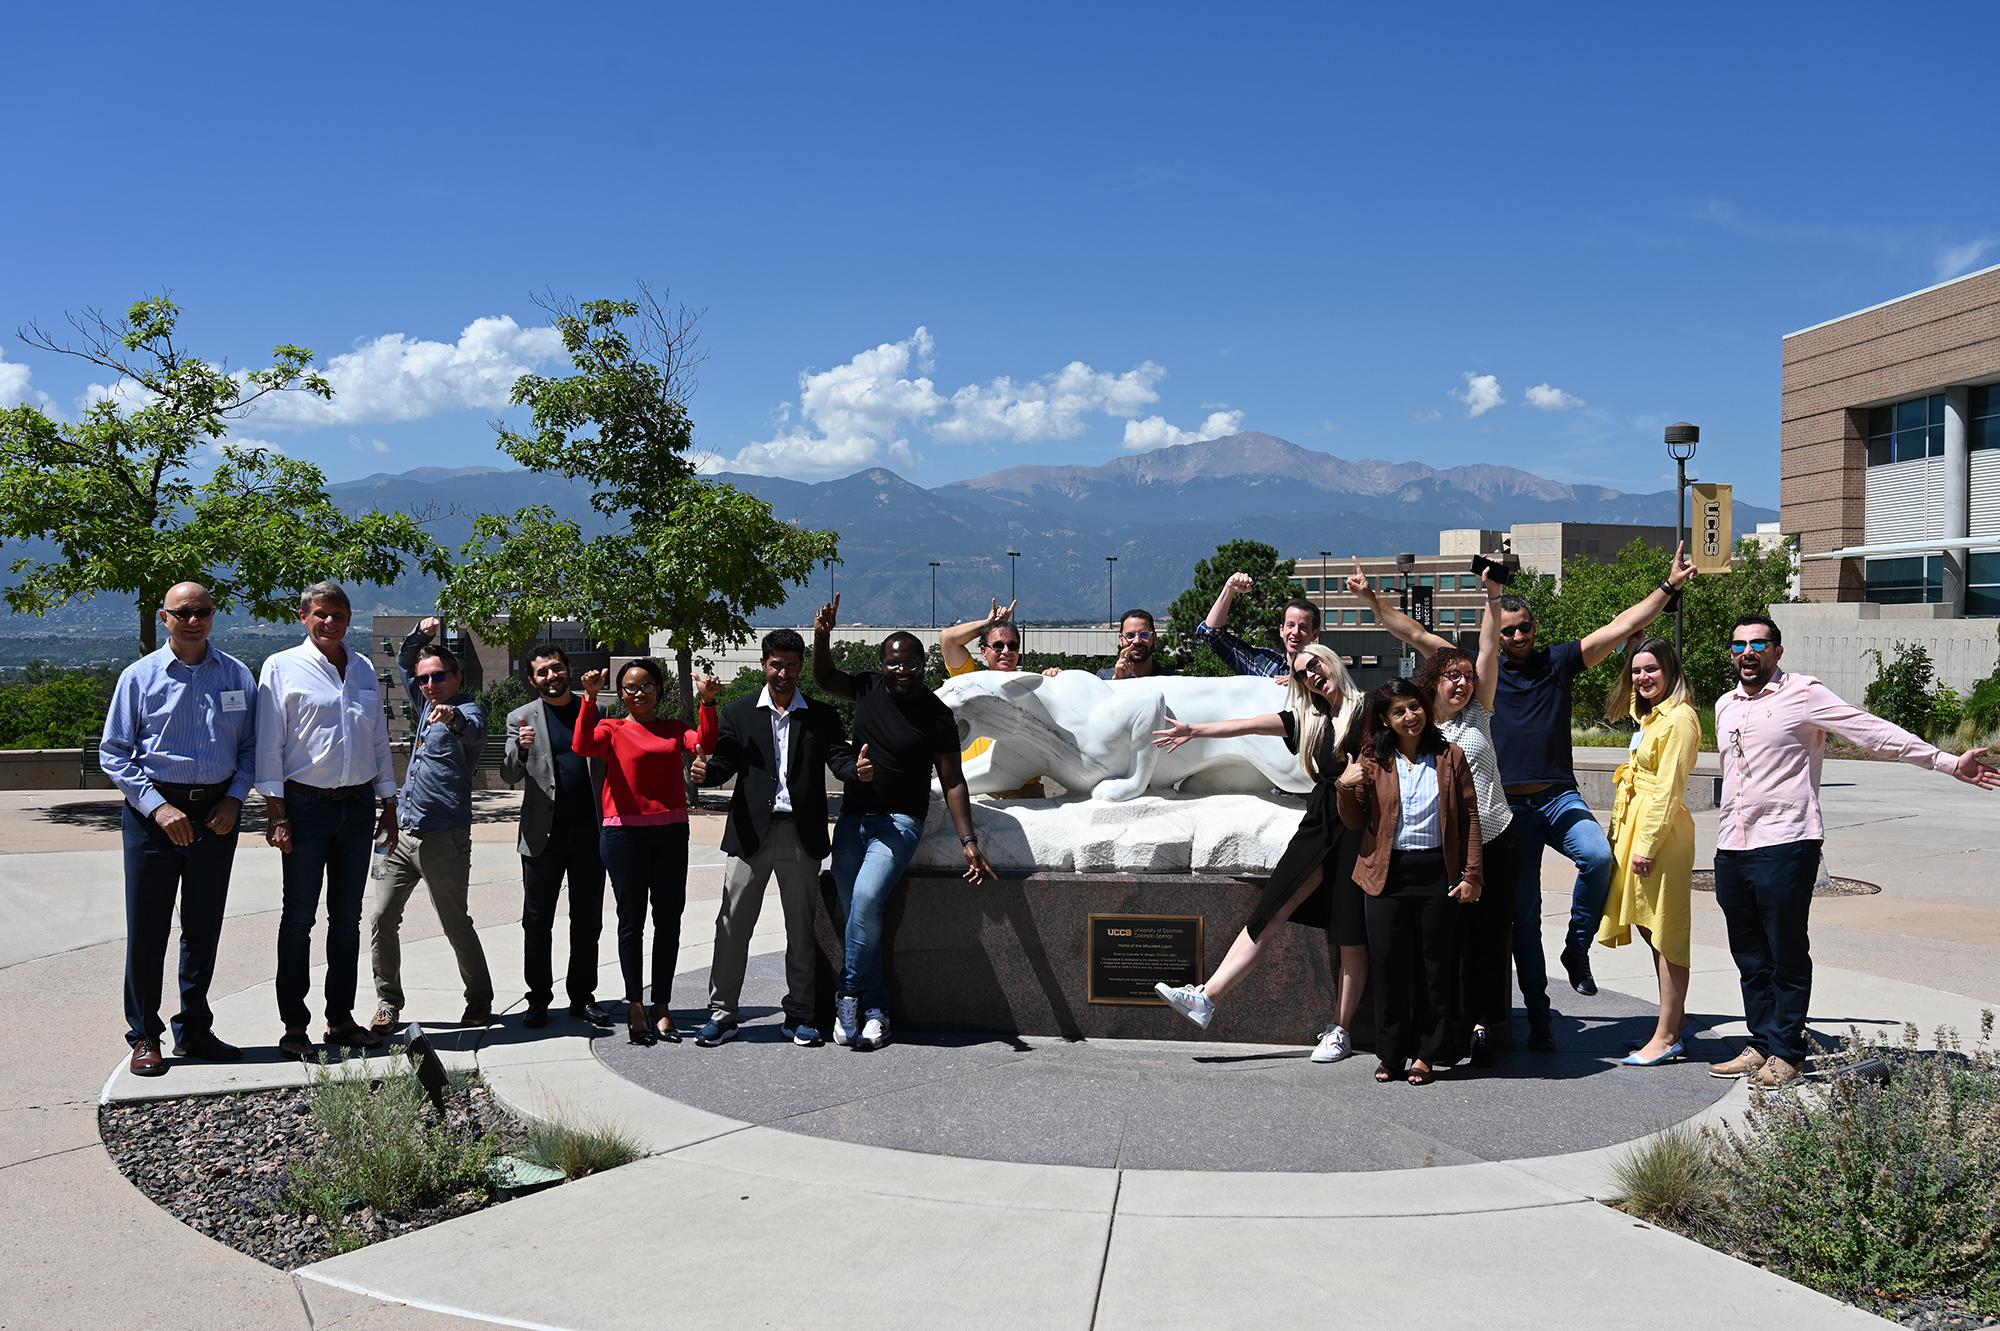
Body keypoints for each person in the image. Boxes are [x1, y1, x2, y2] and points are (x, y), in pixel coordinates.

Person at [1708, 614, 1999, 1089]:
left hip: (1786, 841)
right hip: (1732, 844)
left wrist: (1946, 762)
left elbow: (1872, 733)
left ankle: (1787, 1052)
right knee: (1750, 954)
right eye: (1738, 644)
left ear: (1777, 651)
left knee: (1785, 951)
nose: (1747, 652)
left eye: (1758, 643)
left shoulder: (1803, 693)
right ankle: (1760, 1043)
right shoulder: (1725, 705)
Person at [1490, 543, 1697, 1050]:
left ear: (1535, 627)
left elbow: (1621, 627)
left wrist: (1668, 587)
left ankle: (1577, 947)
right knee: (1525, 915)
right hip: (1511, 811)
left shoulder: (1557, 662)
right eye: (1507, 630)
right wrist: (1374, 605)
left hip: (1559, 797)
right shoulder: (1484, 674)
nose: (1517, 636)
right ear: (1494, 635)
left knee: (1599, 856)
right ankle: (1539, 1015)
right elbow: (1417, 638)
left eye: (1524, 627)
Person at [1148, 643, 1367, 1062]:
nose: (1312, 676)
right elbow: (1246, 725)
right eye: (1303, 674)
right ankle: (1207, 997)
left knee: (1350, 932)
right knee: (1270, 909)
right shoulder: (1306, 719)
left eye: (1315, 664)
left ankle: (1340, 1030)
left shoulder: (1370, 708)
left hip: (1360, 826)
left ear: (1332, 659)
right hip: (1321, 820)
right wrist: (1195, 730)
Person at [1349, 556, 1518, 1065]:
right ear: (1432, 682)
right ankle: (1443, 1036)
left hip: (1493, 837)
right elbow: (1413, 631)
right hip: (1442, 848)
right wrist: (1372, 602)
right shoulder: (1415, 726)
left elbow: (1488, 646)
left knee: (1491, 942)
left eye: (1467, 677)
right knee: (1443, 949)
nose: (1462, 683)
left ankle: (1490, 1028)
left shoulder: (1479, 711)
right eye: (1452, 677)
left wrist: (1492, 597)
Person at [812, 593, 995, 1051]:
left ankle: (848, 994)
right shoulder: (868, 687)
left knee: (869, 900)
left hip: (898, 823)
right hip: (853, 819)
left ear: (922, 663)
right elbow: (823, 677)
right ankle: (876, 1009)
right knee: (859, 911)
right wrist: (821, 636)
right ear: (882, 663)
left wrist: (967, 840)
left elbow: (952, 781)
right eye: (893, 662)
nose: (902, 670)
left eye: (910, 662)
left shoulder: (936, 714)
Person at [100, 581, 256, 1076]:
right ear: (164, 617)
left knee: (203, 928)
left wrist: (234, 798)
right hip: (154, 816)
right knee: (147, 930)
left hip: (217, 815)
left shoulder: (236, 675)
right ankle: (145, 1034)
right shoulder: (139, 677)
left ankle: (194, 1029)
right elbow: (115, 752)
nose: (194, 621)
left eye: (203, 612)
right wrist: (157, 808)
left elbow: (252, 748)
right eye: (183, 613)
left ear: (214, 615)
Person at [688, 629, 855, 1048]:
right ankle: (723, 1013)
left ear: (801, 667)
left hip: (802, 837)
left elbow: (838, 758)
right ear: (764, 664)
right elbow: (725, 760)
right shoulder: (741, 713)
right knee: (731, 925)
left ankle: (799, 1014)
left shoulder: (821, 716)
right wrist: (707, 773)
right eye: (776, 664)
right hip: (749, 836)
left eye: (792, 665)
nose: (784, 672)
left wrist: (858, 769)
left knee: (800, 930)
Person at [256, 581, 399, 1060]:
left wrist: (390, 802)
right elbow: (269, 745)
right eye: (320, 613)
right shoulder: (281, 667)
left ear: (349, 617)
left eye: (338, 614)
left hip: (357, 807)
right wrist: (276, 812)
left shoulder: (361, 669)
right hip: (304, 806)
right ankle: (294, 1026)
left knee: (347, 920)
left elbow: (377, 739)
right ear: (304, 617)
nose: (330, 622)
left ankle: (339, 1018)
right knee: (298, 919)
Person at [1337, 680, 1483, 1086]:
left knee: (1435, 969)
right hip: (1387, 875)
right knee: (1388, 967)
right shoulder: (1372, 760)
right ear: (1385, 719)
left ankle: (1427, 1054)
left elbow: (1470, 817)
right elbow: (1354, 820)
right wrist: (1344, 787)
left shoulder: (1450, 756)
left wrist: (1472, 875)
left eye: (1414, 707)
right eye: (1399, 711)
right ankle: (1391, 1053)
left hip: (1438, 873)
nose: (1409, 716)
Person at [571, 659, 720, 1046]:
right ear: (621, 694)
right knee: (631, 922)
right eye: (632, 687)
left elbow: (705, 743)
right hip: (623, 837)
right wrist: (587, 698)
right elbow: (582, 745)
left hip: (671, 833)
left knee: (669, 922)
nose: (640, 692)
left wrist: (707, 702)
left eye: (647, 685)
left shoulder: (673, 729)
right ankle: (635, 1003)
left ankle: (662, 1005)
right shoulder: (611, 728)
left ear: (659, 690)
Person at [366, 619, 492, 1033]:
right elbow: (403, 660)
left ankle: (479, 1000)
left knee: (455, 922)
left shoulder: (468, 709)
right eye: (425, 679)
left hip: (444, 836)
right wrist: (421, 634)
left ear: (457, 677)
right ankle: (388, 1002)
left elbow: (470, 729)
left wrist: (452, 716)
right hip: (400, 833)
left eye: (439, 676)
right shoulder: (423, 706)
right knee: (382, 916)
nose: (430, 684)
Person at [1596, 636, 1701, 1068]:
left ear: (1671, 670)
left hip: (1658, 838)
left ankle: (1668, 1034)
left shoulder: (1679, 721)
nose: (1642, 678)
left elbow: (1669, 791)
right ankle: (1667, 1024)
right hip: (1637, 830)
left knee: (1666, 933)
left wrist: (1645, 846)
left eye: (1651, 669)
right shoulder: (1652, 718)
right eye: (1637, 671)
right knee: (1649, 929)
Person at [503, 645, 612, 1030]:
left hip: (590, 835)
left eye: (556, 669)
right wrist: (520, 747)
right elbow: (509, 775)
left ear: (568, 670)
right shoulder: (521, 718)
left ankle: (582, 996)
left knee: (587, 921)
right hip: (541, 835)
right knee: (536, 920)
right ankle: (538, 998)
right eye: (543, 673)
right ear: (532, 680)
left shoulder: (597, 711)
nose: (551, 677)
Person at [940, 599, 1044, 798]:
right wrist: (988, 624)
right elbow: (948, 639)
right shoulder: (971, 681)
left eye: (1012, 645)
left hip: (1027, 790)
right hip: (981, 790)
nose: (1006, 651)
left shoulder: (1032, 685)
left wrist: (1054, 674)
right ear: (983, 651)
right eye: (998, 645)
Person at [1197, 571, 1321, 678]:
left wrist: (1299, 682)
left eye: (1303, 627)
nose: (1295, 632)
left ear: (1314, 634)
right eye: (1290, 625)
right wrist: (1229, 589)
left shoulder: (1325, 671)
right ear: (1281, 630)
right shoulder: (1262, 663)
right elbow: (1211, 633)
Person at [1099, 609, 1175, 680]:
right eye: (1130, 636)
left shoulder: (1169, 680)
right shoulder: (1104, 678)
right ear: (1121, 640)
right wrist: (1117, 680)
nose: (1137, 641)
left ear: (1154, 638)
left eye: (1144, 635)